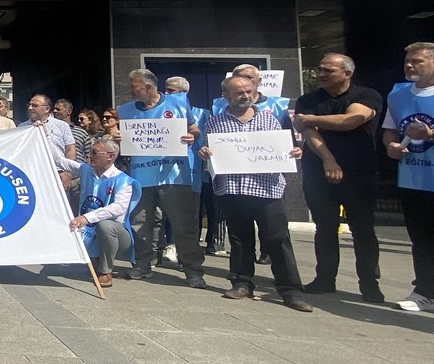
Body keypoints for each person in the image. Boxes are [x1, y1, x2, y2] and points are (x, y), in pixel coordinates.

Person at [199, 76, 313, 312]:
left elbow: (285, 148)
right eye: (239, 92)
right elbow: (208, 154)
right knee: (240, 239)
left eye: (249, 91)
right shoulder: (215, 124)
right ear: (226, 96)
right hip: (232, 190)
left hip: (267, 189)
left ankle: (290, 290)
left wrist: (293, 153)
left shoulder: (271, 121)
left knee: (277, 239)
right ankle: (242, 283)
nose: (245, 95)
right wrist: (204, 152)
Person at [294, 53, 384, 302]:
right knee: (325, 227)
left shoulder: (366, 96)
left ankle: (369, 283)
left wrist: (309, 119)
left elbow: (349, 121)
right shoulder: (308, 99)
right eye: (319, 70)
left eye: (328, 71)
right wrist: (328, 160)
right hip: (318, 171)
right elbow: (310, 135)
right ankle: (324, 279)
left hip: (359, 173)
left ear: (346, 73)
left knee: (363, 229)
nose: (321, 74)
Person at [115, 69, 205, 287]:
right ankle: (142, 265)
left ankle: (193, 270)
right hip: (142, 176)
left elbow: (195, 130)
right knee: (140, 223)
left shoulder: (177, 104)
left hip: (174, 176)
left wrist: (191, 136)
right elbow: (123, 138)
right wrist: (119, 137)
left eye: (134, 86)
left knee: (183, 225)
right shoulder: (127, 111)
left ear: (148, 86)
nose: (130, 90)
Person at [383, 42, 434, 312]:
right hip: (414, 178)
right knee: (421, 239)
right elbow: (390, 129)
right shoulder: (398, 94)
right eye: (407, 62)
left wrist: (431, 135)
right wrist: (390, 146)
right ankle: (424, 290)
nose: (410, 66)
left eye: (418, 61)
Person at [58, 137, 141, 288]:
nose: (89, 155)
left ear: (110, 156)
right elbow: (61, 161)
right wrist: (43, 135)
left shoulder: (123, 181)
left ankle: (105, 271)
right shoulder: (87, 170)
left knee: (105, 225)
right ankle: (95, 258)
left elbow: (119, 208)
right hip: (91, 231)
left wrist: (86, 217)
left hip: (117, 235)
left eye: (94, 152)